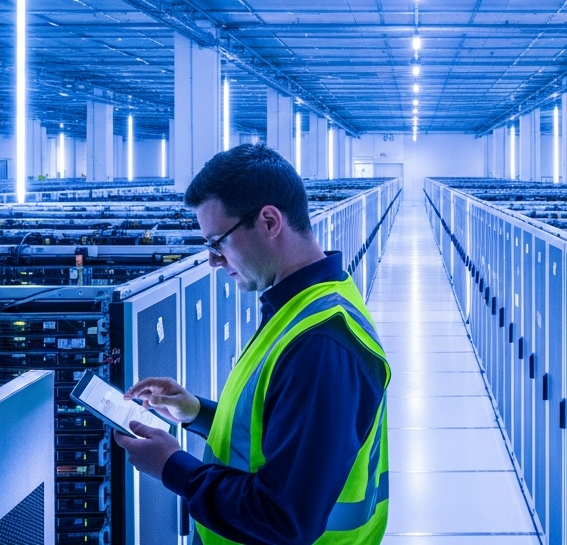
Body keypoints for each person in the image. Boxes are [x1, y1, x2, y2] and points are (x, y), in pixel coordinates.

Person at [113, 144, 390, 545]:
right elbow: (277, 431)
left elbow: (283, 519)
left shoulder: (320, 345)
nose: (212, 261)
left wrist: (172, 466)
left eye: (218, 242)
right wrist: (196, 412)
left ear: (269, 221)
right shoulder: (300, 305)